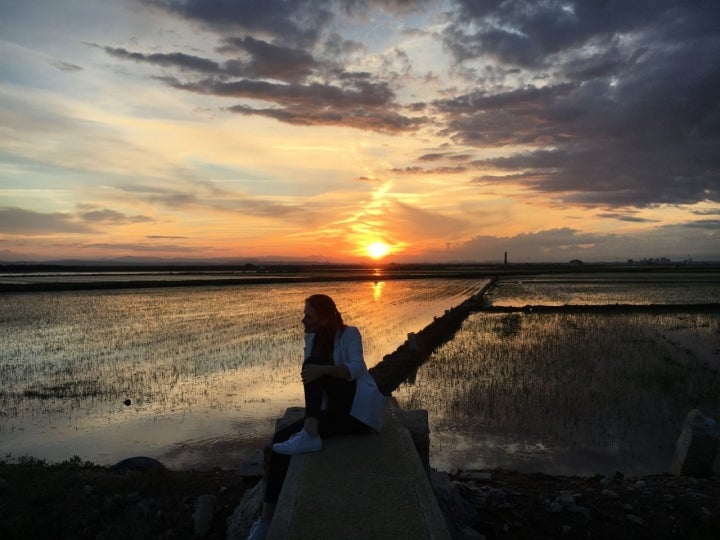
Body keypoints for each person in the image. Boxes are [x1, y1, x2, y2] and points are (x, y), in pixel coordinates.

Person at [246, 294, 385, 540]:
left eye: (308, 316)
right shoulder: (312, 338)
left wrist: (323, 369)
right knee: (278, 444)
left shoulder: (349, 333)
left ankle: (310, 433)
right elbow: (314, 385)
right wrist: (316, 408)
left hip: (357, 412)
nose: (303, 321)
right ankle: (265, 522)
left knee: (313, 364)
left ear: (323, 319)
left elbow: (356, 368)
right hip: (334, 414)